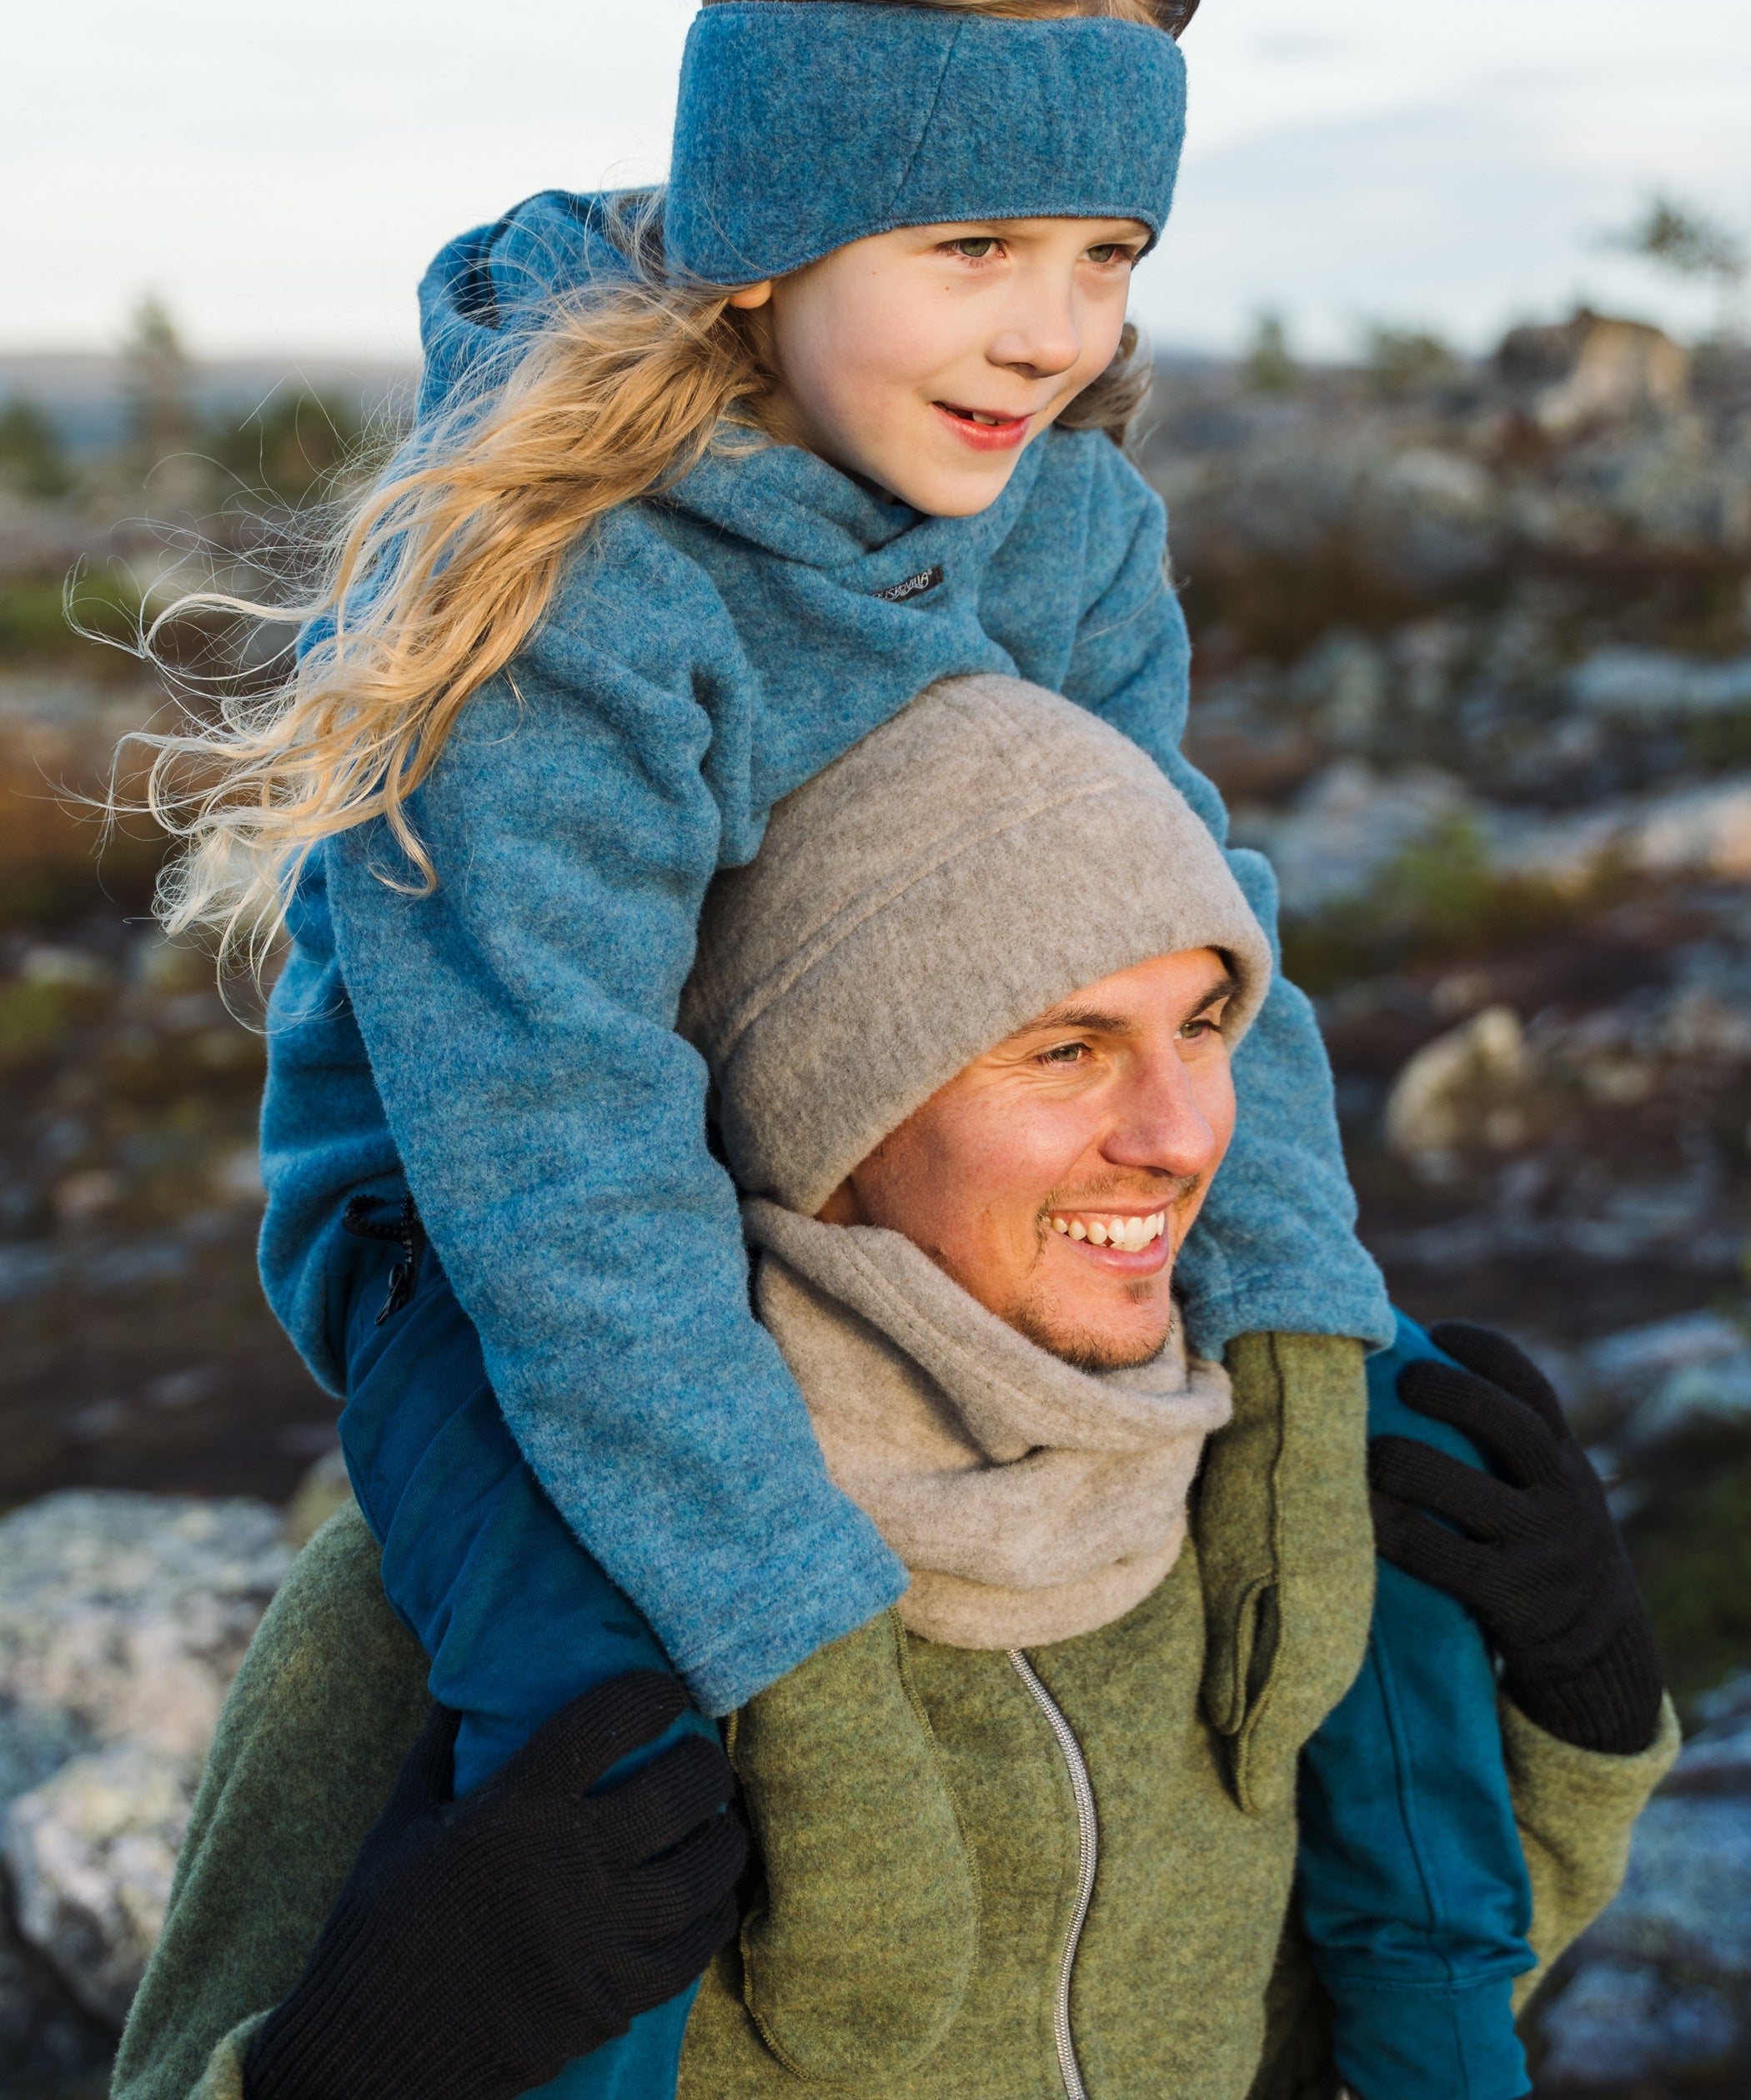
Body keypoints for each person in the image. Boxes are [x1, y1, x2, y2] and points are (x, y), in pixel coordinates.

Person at [116, 680, 1676, 2100]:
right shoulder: (465, 1602)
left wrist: (1581, 1708)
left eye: (1203, 1026)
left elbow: (1360, 2004)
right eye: (1066, 1050)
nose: (1186, 1133)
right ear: (828, 1106)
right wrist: (356, 2063)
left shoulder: (1255, 1516)